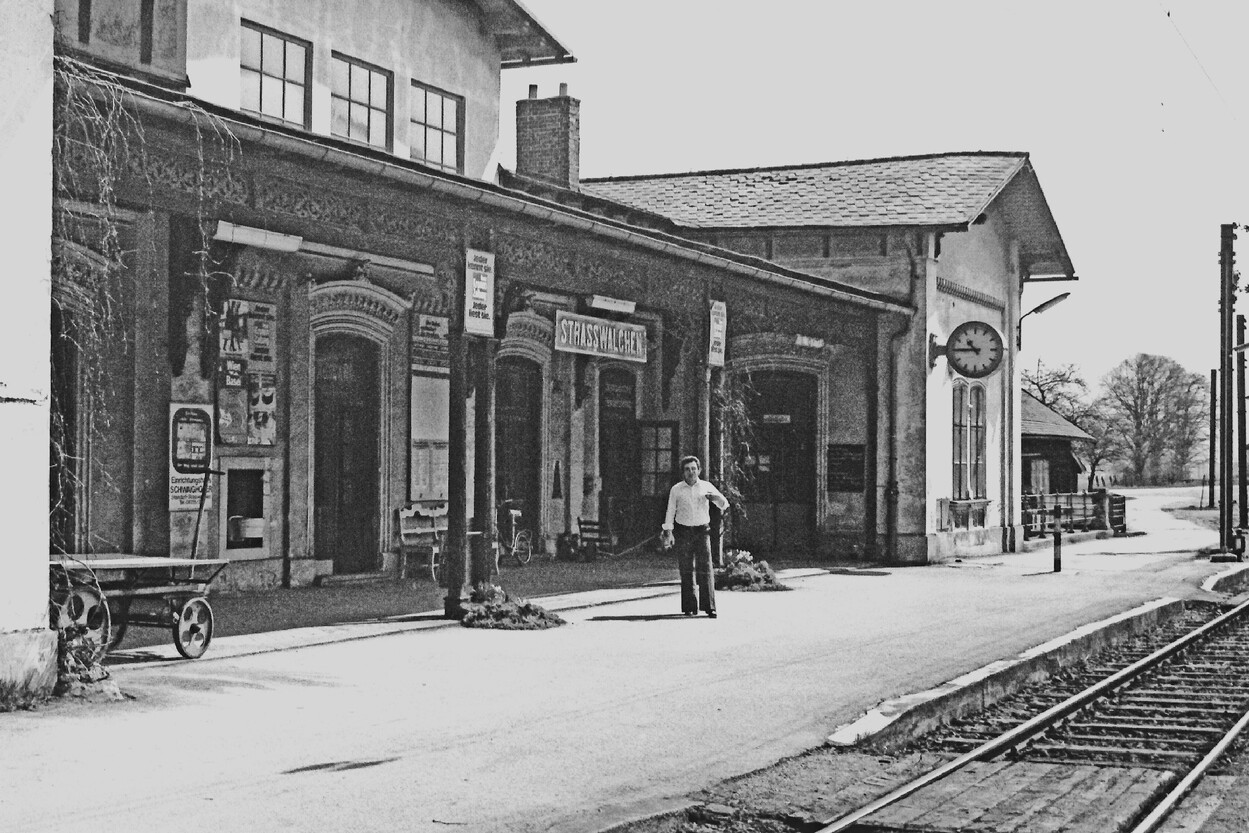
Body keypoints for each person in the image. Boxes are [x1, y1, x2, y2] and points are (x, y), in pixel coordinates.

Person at [661, 456, 729, 618]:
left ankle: (709, 607)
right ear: (683, 473)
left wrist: (715, 498)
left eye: (693, 469)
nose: (691, 472)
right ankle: (690, 606)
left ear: (699, 470)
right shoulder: (676, 489)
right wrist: (668, 532)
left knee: (705, 567)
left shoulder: (706, 486)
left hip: (702, 531)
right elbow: (670, 511)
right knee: (686, 568)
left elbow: (724, 504)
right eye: (687, 469)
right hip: (683, 531)